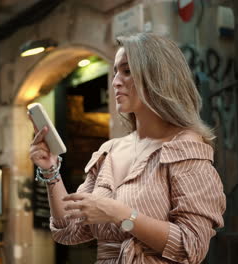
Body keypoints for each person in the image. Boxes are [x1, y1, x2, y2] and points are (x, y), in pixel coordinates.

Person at [29, 33, 226, 264]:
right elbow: (68, 230)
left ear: (157, 76)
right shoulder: (110, 151)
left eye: (127, 71)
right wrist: (51, 171)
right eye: (114, 72)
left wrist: (120, 214)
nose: (115, 81)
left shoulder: (185, 148)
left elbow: (191, 245)